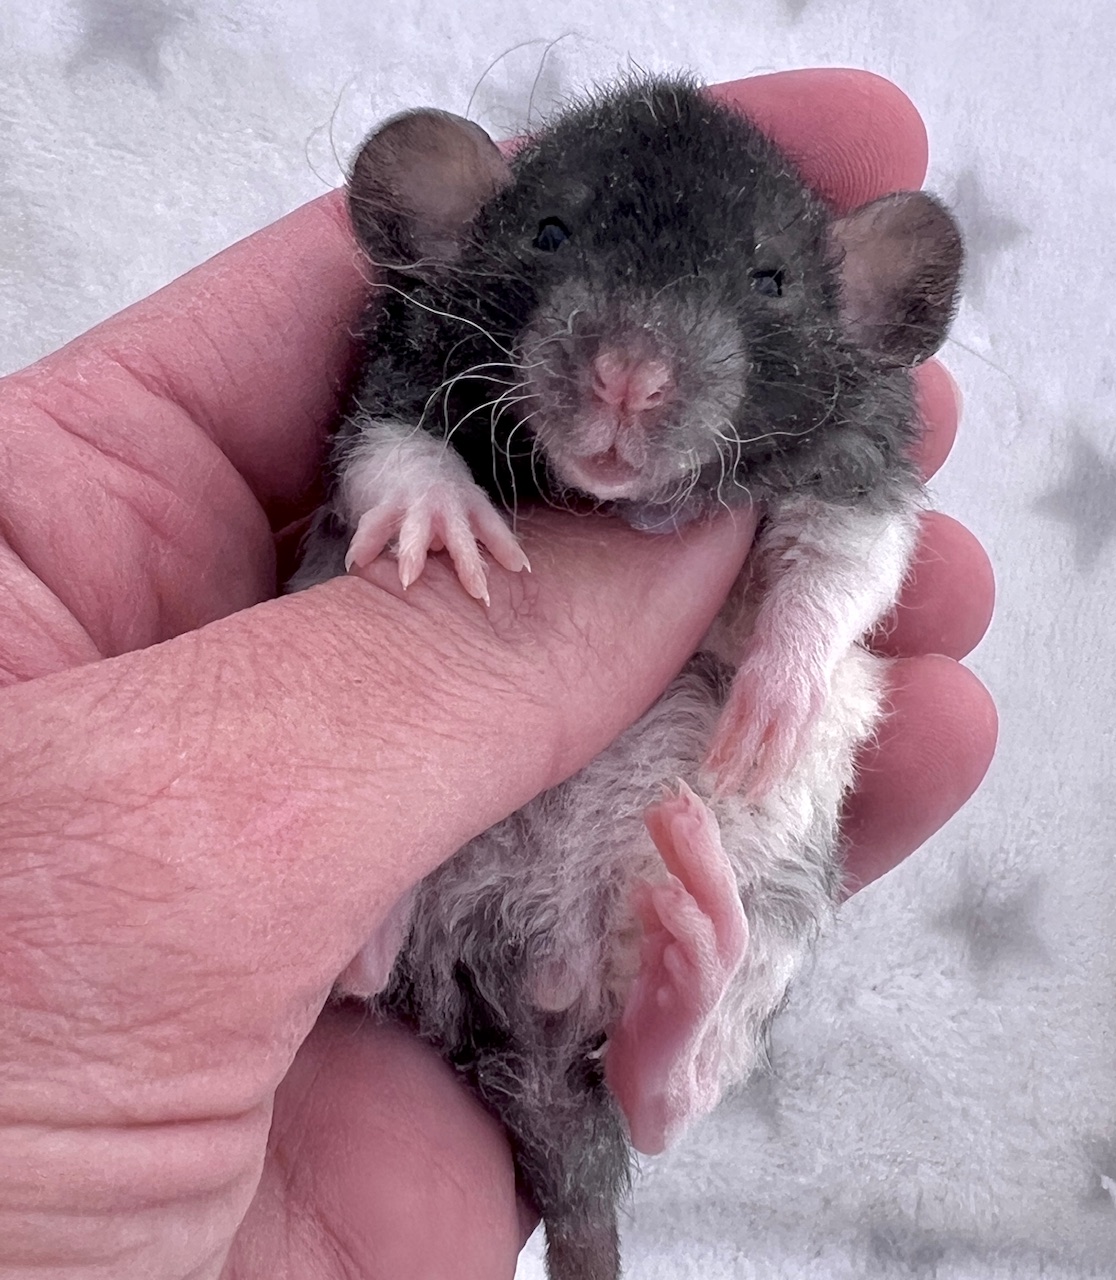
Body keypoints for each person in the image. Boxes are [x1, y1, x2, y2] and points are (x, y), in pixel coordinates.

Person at [0, 69, 996, 1279]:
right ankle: (370, 906)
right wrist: (417, 481)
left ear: (862, 300)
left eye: (763, 284)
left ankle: (667, 1050)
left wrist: (798, 636)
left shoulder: (836, 413)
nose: (629, 373)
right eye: (557, 240)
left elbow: (858, 528)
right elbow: (385, 437)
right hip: (440, 856)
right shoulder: (437, 352)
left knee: (814, 747)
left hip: (649, 835)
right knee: (356, 545)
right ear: (452, 227)